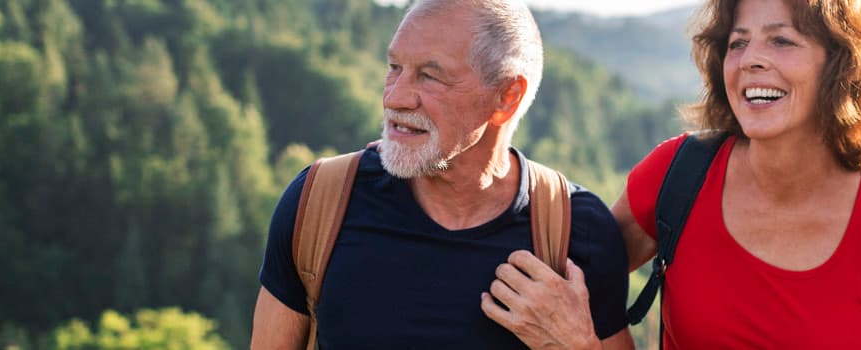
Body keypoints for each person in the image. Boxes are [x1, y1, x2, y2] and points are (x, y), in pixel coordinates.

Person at [482, 0, 861, 348]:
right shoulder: (677, 177)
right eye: (737, 42)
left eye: (781, 40)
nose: (749, 59)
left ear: (843, 66)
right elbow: (563, 286)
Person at [249, 0, 635, 348]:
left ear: (507, 97)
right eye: (394, 68)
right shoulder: (318, 202)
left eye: (429, 76)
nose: (395, 98)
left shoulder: (576, 231)